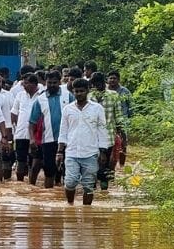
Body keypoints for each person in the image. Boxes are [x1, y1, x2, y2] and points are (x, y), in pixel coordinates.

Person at [56, 77, 107, 205]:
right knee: (70, 182)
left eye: (81, 91)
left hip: (90, 153)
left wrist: (103, 151)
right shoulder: (68, 109)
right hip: (72, 152)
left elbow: (102, 130)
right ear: (73, 91)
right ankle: (70, 206)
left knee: (88, 186)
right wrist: (59, 151)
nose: (79, 94)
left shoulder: (97, 109)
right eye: (76, 91)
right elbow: (63, 131)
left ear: (87, 91)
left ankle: (87, 212)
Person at [28, 70, 67, 188]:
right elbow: (31, 122)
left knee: (67, 171)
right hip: (48, 140)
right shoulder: (40, 99)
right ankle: (49, 196)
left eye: (55, 82)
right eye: (49, 83)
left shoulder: (68, 96)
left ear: (59, 82)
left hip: (68, 140)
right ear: (45, 82)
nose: (52, 85)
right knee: (49, 171)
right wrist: (32, 139)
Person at [89, 72, 125, 190]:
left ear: (104, 82)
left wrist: (122, 134)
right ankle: (92, 189)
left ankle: (104, 191)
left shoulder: (113, 95)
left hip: (108, 136)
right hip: (91, 136)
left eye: (99, 83)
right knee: (92, 164)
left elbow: (119, 115)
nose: (97, 86)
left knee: (105, 165)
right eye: (95, 84)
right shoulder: (89, 97)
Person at [10, 73, 41, 182]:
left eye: (26, 83)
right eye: (23, 83)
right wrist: (15, 127)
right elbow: (14, 113)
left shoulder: (42, 96)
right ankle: (20, 185)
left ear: (34, 84)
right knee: (20, 160)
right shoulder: (20, 95)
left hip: (37, 135)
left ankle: (32, 184)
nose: (24, 86)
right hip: (21, 133)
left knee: (35, 160)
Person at [106, 70, 132, 166]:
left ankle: (121, 165)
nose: (112, 80)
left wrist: (128, 119)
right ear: (107, 79)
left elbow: (131, 106)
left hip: (122, 120)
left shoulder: (125, 91)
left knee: (123, 143)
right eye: (110, 78)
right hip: (109, 121)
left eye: (114, 78)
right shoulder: (104, 92)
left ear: (118, 80)